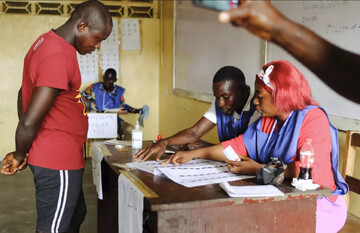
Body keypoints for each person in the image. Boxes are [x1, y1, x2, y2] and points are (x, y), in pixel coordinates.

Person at [163, 60, 349, 232]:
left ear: (279, 95)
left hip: (317, 204)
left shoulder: (313, 119)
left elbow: (309, 171)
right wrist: (195, 154)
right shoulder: (268, 120)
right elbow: (235, 146)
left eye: (259, 95)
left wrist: (260, 169)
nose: (255, 101)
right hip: (284, 197)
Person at [0, 1, 112, 233]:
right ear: (82, 26)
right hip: (57, 159)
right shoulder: (58, 54)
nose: (98, 46)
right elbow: (29, 120)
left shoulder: (45, 42)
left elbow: (24, 92)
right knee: (54, 228)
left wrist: (29, 146)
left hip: (61, 153)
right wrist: (22, 153)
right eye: (98, 39)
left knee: (76, 214)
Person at [218, 0, 360, 104]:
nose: (255, 102)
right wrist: (276, 27)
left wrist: (277, 27)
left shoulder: (309, 120)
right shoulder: (268, 115)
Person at [135, 66, 260, 162]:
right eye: (217, 97)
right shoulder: (222, 104)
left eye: (226, 97)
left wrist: (205, 148)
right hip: (227, 166)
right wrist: (164, 142)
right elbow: (194, 132)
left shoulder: (259, 107)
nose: (221, 103)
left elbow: (244, 150)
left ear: (244, 91)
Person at [81, 68, 144, 139]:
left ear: (115, 80)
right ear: (103, 77)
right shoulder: (94, 88)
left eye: (110, 80)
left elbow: (123, 106)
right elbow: (81, 99)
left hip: (114, 121)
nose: (107, 82)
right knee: (99, 140)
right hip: (97, 123)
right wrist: (86, 108)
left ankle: (125, 148)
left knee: (130, 129)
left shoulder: (118, 92)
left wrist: (136, 110)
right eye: (106, 79)